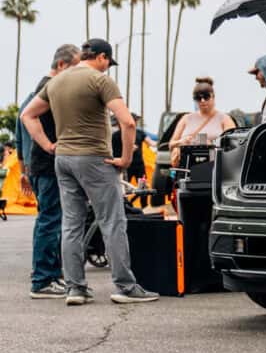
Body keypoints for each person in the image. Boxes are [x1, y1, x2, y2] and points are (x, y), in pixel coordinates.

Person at [21, 38, 158, 305]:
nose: (107, 68)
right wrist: (126, 158)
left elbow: (27, 114)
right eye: (108, 63)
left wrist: (49, 145)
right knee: (112, 221)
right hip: (94, 158)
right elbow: (128, 122)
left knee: (71, 223)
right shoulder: (100, 80)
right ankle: (125, 287)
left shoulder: (56, 81)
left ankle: (76, 288)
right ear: (102, 57)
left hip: (63, 159)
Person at [14, 43, 81, 299]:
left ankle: (49, 275)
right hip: (47, 164)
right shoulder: (48, 90)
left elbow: (21, 138)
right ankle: (43, 279)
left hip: (41, 165)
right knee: (50, 220)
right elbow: (25, 122)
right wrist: (48, 146)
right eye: (75, 67)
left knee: (51, 220)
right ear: (62, 65)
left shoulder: (41, 91)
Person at [168, 77, 237, 165]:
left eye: (206, 97)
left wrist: (212, 145)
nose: (203, 101)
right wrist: (182, 142)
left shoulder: (225, 119)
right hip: (187, 169)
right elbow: (171, 145)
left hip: (213, 167)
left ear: (213, 96)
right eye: (198, 98)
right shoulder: (186, 118)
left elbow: (234, 146)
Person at [112, 112, 150, 206]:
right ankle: (126, 205)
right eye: (135, 120)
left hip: (139, 165)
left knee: (143, 187)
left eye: (136, 120)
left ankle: (144, 206)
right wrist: (129, 149)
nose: (135, 122)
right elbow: (112, 151)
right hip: (125, 166)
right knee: (123, 188)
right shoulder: (116, 135)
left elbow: (150, 142)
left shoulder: (140, 133)